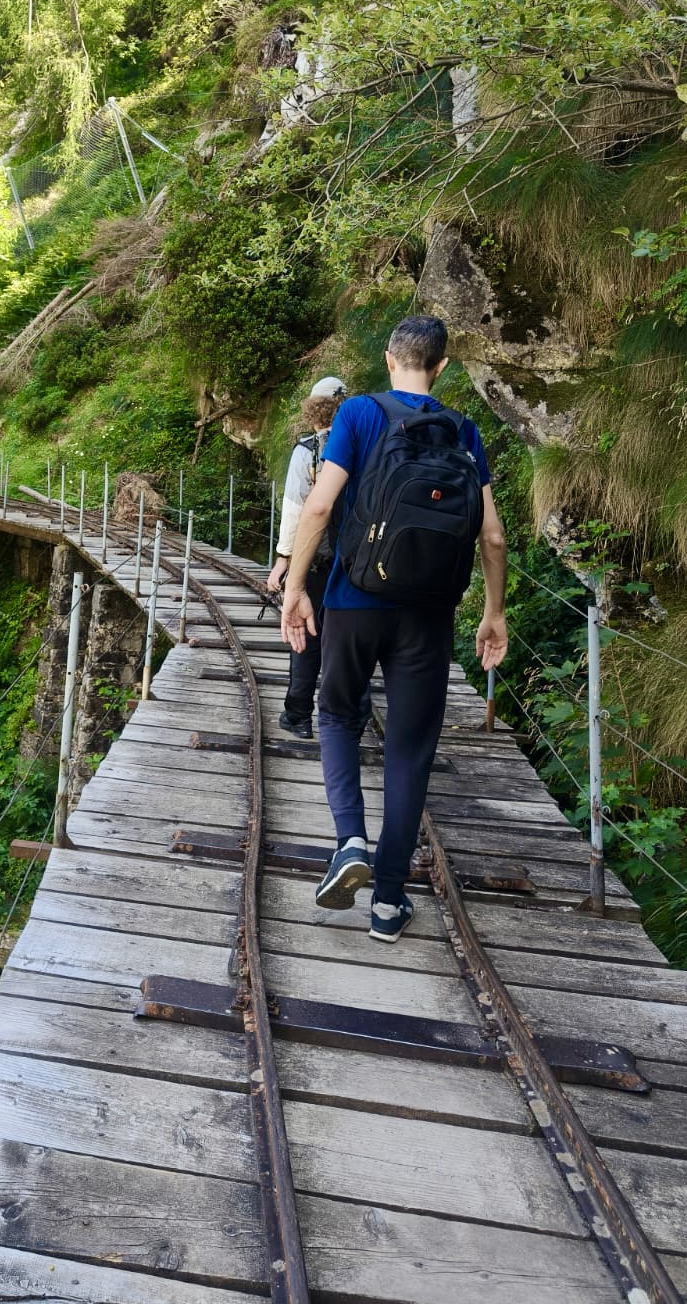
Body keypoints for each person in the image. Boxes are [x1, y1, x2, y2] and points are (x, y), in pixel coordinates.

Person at [280, 315, 508, 944]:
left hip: (355, 599)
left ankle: (348, 839)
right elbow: (491, 534)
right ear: (440, 366)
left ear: (388, 359)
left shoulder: (355, 415)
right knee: (410, 753)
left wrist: (296, 588)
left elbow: (321, 505)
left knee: (336, 715)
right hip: (429, 614)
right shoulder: (463, 429)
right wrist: (494, 612)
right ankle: (387, 902)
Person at [267, 375, 348, 740]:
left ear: (314, 410)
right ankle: (344, 720)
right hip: (357, 563)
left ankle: (297, 715)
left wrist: (284, 560)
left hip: (314, 562)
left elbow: (295, 510)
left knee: (305, 635)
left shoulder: (308, 451)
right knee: (345, 640)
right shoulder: (368, 444)